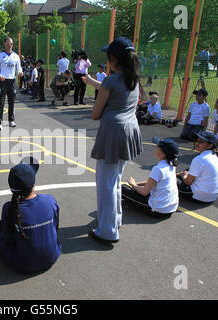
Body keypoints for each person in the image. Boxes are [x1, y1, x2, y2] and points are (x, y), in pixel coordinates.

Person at [81, 37, 142, 243]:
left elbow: (95, 113)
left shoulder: (111, 80)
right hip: (129, 131)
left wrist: (98, 93)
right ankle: (114, 220)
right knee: (115, 179)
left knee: (106, 182)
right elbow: (112, 89)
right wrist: (91, 82)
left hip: (112, 133)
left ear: (114, 58)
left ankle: (107, 230)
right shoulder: (132, 78)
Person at [0, 157, 61, 274]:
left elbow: (9, 239)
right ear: (34, 184)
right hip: (52, 256)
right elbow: (55, 227)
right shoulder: (49, 200)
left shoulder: (9, 208)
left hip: (23, 264)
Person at [122, 137, 179, 218]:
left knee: (122, 189)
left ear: (163, 153)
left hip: (158, 210)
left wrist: (133, 185)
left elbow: (144, 192)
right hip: (171, 208)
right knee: (137, 188)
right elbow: (153, 182)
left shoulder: (158, 169)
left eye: (157, 146)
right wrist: (136, 184)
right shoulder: (171, 165)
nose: (155, 147)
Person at [177, 131, 218, 203]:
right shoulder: (217, 156)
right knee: (188, 170)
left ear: (210, 145)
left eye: (201, 142)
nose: (197, 143)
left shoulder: (199, 159)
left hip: (199, 196)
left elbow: (188, 182)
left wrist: (183, 175)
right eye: (197, 141)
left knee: (171, 181)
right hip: (213, 196)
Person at [0, 37, 23, 130]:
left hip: (12, 81)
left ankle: (11, 120)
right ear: (4, 44)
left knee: (12, 102)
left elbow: (19, 67)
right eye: (8, 43)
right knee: (0, 102)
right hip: (3, 81)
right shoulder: (0, 55)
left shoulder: (16, 56)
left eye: (11, 44)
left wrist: (20, 72)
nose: (10, 45)